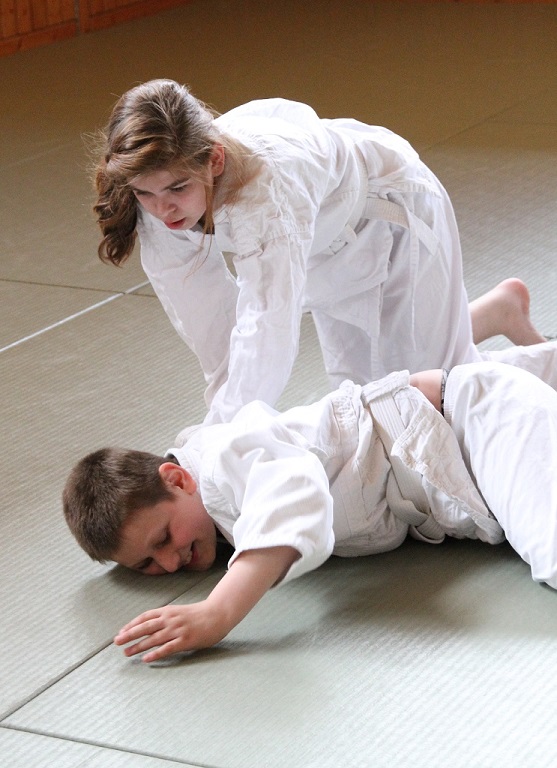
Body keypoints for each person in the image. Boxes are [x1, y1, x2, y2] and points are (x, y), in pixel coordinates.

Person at [63, 340, 557, 663]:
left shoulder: (222, 463)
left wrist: (217, 612)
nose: (170, 562)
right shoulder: (206, 503)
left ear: (177, 479)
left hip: (476, 424)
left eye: (163, 538)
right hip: (466, 454)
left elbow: (294, 493)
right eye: (147, 565)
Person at [93, 79, 545, 425]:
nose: (164, 207)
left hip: (395, 211)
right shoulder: (154, 197)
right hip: (321, 246)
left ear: (213, 160)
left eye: (177, 187)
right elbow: (211, 322)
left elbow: (266, 325)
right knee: (371, 405)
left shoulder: (265, 193)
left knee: (435, 401)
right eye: (145, 194)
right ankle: (495, 312)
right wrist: (222, 425)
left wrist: (225, 433)